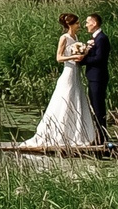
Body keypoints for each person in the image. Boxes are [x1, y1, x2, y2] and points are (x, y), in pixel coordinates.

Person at [25, 12, 100, 149]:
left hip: (76, 72)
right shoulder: (64, 38)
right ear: (70, 25)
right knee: (65, 98)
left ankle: (75, 134)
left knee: (76, 99)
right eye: (77, 23)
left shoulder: (76, 37)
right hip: (68, 72)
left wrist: (84, 51)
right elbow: (58, 58)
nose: (79, 25)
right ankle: (57, 133)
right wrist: (73, 57)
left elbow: (79, 54)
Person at [80, 12, 111, 143]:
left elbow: (99, 58)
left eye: (87, 22)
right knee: (94, 105)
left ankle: (102, 136)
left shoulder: (102, 39)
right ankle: (98, 135)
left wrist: (83, 59)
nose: (86, 25)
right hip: (94, 77)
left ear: (94, 23)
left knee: (98, 106)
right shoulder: (96, 39)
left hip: (98, 77)